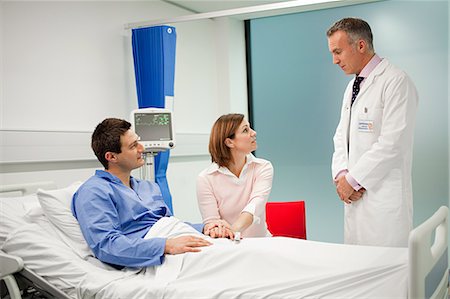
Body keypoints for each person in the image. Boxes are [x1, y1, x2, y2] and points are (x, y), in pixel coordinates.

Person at [71, 118, 232, 269]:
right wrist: (165, 246)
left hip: (176, 241)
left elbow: (168, 224)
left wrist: (205, 228)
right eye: (133, 146)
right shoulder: (94, 192)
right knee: (231, 261)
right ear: (111, 156)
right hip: (155, 254)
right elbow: (107, 246)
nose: (142, 148)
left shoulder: (148, 187)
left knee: (237, 249)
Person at [327, 17, 418, 247]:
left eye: (338, 52)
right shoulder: (352, 86)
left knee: (388, 273)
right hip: (353, 198)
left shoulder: (396, 81)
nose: (334, 60)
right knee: (357, 269)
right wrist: (341, 176)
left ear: (360, 46)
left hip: (383, 203)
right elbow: (341, 135)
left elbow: (393, 143)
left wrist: (354, 180)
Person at [196, 113, 273, 238]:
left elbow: (255, 206)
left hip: (261, 243)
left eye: (250, 128)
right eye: (245, 130)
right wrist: (220, 231)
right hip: (228, 245)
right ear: (229, 142)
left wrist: (233, 230)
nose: (253, 133)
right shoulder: (205, 179)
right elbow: (212, 223)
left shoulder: (263, 167)